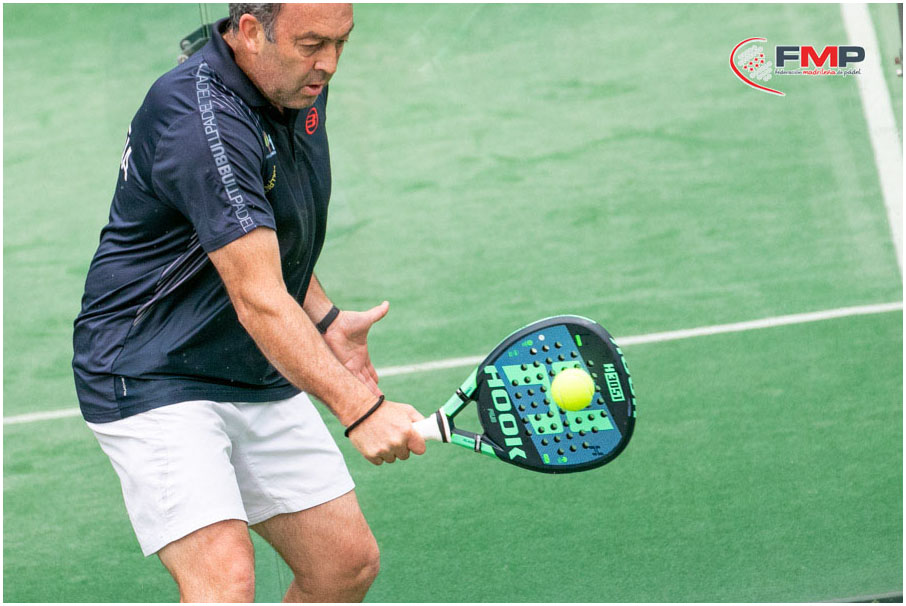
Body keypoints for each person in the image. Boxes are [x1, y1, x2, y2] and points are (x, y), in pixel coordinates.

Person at [72, 3, 426, 601]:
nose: (329, 64)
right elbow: (259, 298)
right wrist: (361, 409)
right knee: (225, 581)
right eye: (312, 44)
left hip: (249, 358)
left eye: (341, 42)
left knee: (344, 566)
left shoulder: (291, 83)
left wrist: (324, 318)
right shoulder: (201, 122)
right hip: (151, 365)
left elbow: (268, 226)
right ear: (250, 31)